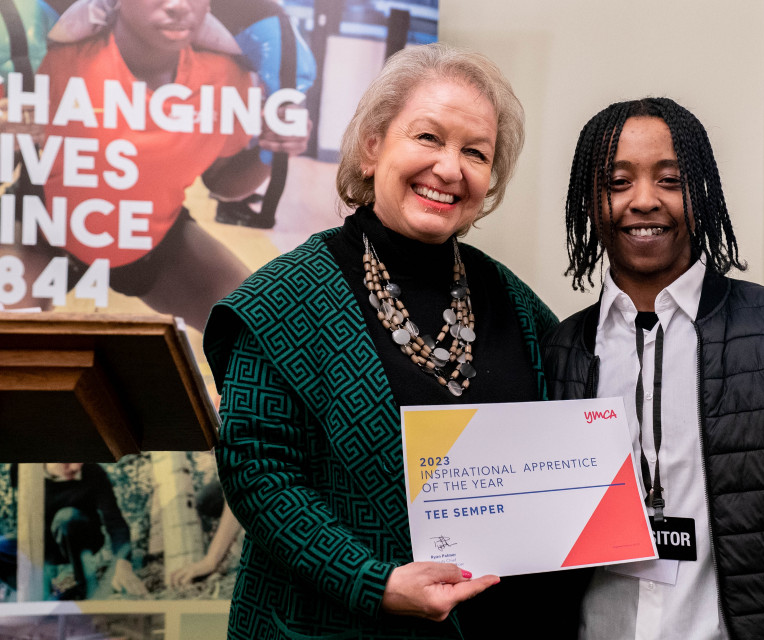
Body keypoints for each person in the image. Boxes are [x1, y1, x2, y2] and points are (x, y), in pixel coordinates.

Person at [204, 43, 574, 639]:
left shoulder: (518, 304)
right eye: (428, 137)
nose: (450, 168)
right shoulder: (283, 298)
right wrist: (372, 581)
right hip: (328, 623)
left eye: (475, 152)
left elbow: (570, 451)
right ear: (373, 146)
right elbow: (259, 471)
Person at [542, 98, 764, 639]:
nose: (644, 201)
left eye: (670, 179)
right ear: (588, 201)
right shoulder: (559, 351)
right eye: (617, 182)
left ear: (703, 191)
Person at [5, 0, 308, 328]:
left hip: (155, 237)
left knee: (261, 331)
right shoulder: (57, 62)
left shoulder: (225, 77)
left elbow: (224, 186)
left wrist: (272, 150)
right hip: (43, 228)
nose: (178, 6)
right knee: (10, 350)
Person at [41, 463, 148, 600]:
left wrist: (122, 563)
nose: (74, 468)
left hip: (83, 534)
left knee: (67, 518)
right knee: (5, 547)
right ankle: (58, 590)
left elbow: (114, 521)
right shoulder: (26, 472)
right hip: (46, 547)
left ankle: (85, 588)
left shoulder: (92, 471)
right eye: (66, 462)